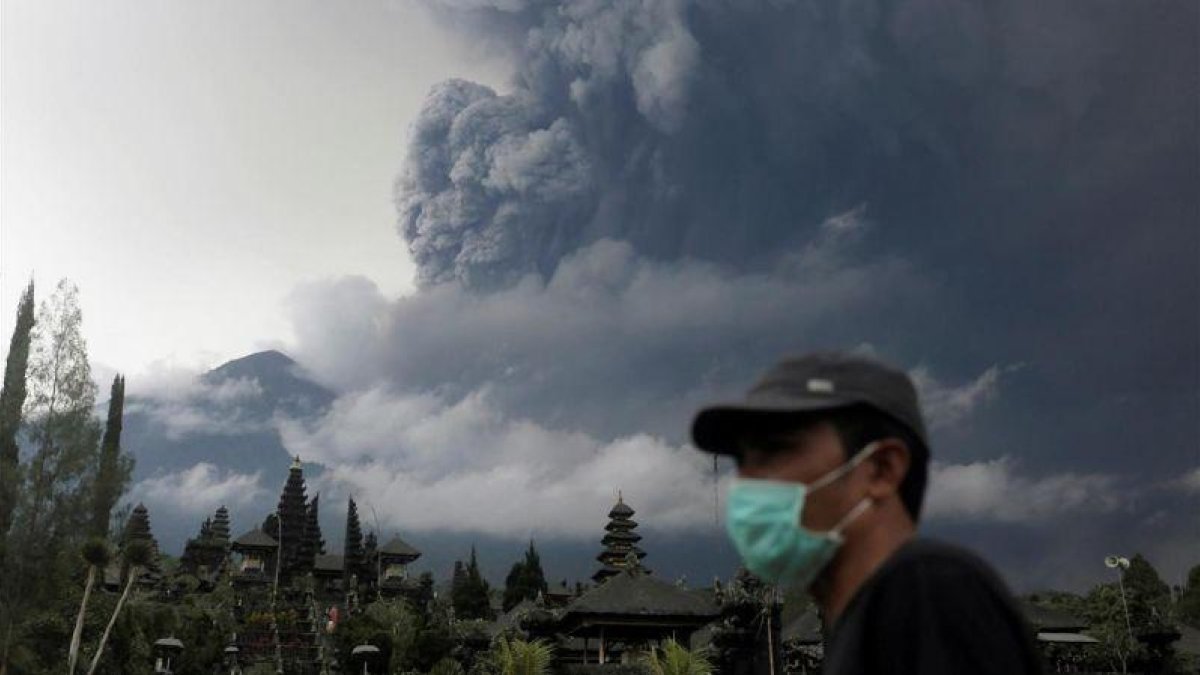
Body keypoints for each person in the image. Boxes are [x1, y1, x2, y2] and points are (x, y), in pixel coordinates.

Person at [690, 351, 1041, 675]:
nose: (749, 483)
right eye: (744, 462)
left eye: (777, 452)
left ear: (881, 469)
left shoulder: (925, 591)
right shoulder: (860, 619)